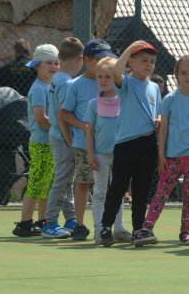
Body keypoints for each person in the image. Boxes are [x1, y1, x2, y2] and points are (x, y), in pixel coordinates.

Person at [134, 55, 189, 247]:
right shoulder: (169, 100)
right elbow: (164, 129)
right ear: (176, 75)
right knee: (161, 193)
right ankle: (147, 227)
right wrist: (161, 154)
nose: (187, 77)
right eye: (183, 73)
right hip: (171, 157)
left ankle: (185, 232)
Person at [99, 40, 161, 247]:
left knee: (142, 190)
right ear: (130, 63)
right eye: (143, 60)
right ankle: (105, 227)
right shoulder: (125, 82)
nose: (149, 64)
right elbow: (115, 72)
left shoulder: (154, 87)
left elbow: (158, 113)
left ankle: (138, 230)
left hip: (148, 144)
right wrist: (130, 47)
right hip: (126, 144)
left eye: (152, 61)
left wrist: (159, 121)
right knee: (118, 186)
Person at [60, 39, 116, 241]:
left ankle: (108, 226)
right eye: (100, 59)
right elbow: (64, 113)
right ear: (87, 60)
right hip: (85, 145)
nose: (105, 63)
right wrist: (80, 128)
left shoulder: (113, 82)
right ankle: (80, 224)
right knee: (83, 183)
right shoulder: (75, 85)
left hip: (109, 147)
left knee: (109, 187)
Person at [12, 44, 59, 236]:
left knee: (46, 183)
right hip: (41, 142)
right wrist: (61, 130)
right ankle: (24, 223)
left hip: (50, 142)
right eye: (49, 63)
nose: (54, 67)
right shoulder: (39, 88)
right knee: (37, 182)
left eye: (56, 63)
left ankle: (42, 221)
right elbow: (41, 118)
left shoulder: (51, 86)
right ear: (38, 65)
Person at [85, 58, 131, 244]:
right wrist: (91, 153)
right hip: (101, 155)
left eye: (108, 76)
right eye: (100, 76)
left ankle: (118, 228)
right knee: (100, 193)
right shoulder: (93, 104)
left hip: (120, 154)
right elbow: (89, 131)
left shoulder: (125, 101)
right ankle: (99, 230)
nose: (103, 80)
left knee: (117, 192)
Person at [42, 37, 83, 239]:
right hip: (63, 137)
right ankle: (49, 223)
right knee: (62, 179)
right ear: (80, 59)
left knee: (67, 179)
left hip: (57, 136)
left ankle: (70, 218)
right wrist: (71, 138)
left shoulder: (57, 78)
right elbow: (62, 114)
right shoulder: (67, 82)